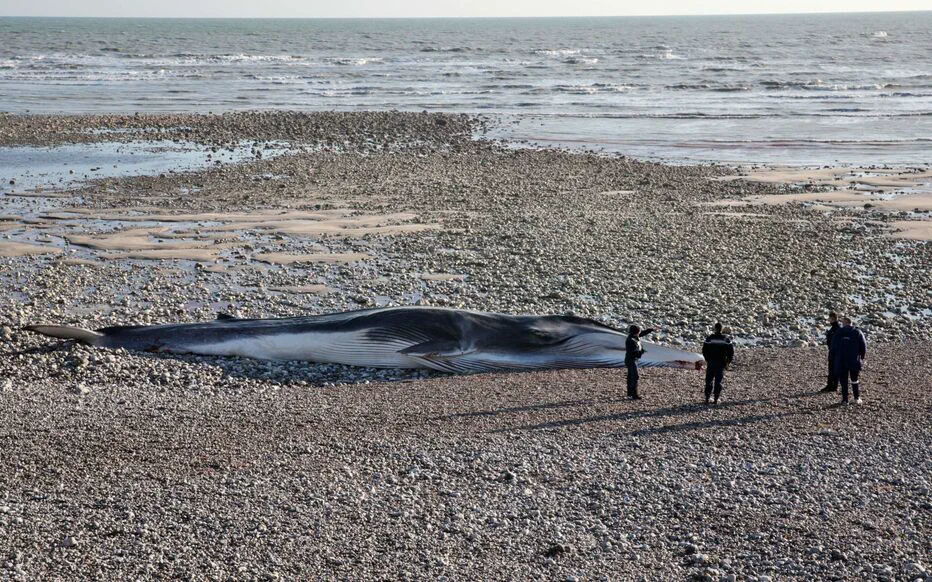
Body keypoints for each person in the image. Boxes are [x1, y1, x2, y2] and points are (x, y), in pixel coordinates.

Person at [830, 316, 867, 405]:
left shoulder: (839, 332)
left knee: (843, 380)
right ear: (851, 323)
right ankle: (856, 398)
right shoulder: (857, 332)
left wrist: (833, 358)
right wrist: (862, 357)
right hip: (854, 359)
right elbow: (864, 346)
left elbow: (833, 347)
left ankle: (845, 400)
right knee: (854, 379)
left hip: (841, 360)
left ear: (845, 323)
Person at [702, 322, 735, 405]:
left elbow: (704, 350)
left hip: (711, 362)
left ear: (715, 329)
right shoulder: (726, 339)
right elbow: (731, 352)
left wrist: (707, 359)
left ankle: (707, 398)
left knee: (709, 380)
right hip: (721, 363)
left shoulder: (709, 338)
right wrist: (728, 362)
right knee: (718, 381)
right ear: (721, 329)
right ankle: (716, 399)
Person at [821, 311, 841, 392]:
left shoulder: (837, 329)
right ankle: (830, 385)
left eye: (829, 318)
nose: (828, 320)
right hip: (832, 351)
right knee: (831, 369)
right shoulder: (834, 328)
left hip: (835, 352)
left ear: (833, 318)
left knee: (834, 369)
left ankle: (833, 386)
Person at [625, 325, 645, 400]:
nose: (640, 332)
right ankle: (634, 394)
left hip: (632, 360)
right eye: (639, 331)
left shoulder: (633, 336)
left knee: (630, 376)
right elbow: (632, 352)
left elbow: (642, 334)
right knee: (635, 376)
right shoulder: (631, 341)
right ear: (636, 332)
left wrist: (651, 330)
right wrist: (641, 352)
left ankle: (630, 393)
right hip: (631, 360)